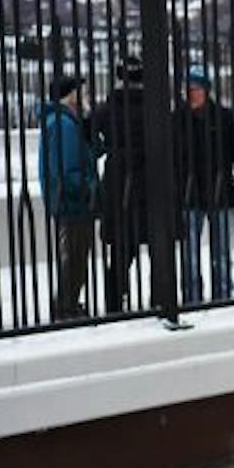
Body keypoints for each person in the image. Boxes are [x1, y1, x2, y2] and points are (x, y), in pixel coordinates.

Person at [174, 65, 234, 304]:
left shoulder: (226, 117)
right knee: (190, 254)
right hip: (189, 193)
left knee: (222, 252)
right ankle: (192, 296)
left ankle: (223, 295)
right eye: (188, 89)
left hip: (221, 191)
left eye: (196, 88)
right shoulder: (177, 118)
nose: (191, 93)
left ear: (206, 90)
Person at [37, 72, 99, 321]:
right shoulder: (63, 125)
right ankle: (66, 307)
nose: (84, 98)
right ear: (71, 97)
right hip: (72, 201)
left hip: (66, 198)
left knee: (73, 255)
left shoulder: (63, 122)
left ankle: (67, 303)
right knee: (74, 257)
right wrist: (88, 187)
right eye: (80, 94)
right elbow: (68, 169)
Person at [92, 55, 148, 313]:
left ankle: (115, 301)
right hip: (149, 178)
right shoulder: (152, 106)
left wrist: (106, 149)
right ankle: (161, 298)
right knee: (157, 247)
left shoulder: (107, 108)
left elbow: (88, 133)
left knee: (121, 251)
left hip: (117, 180)